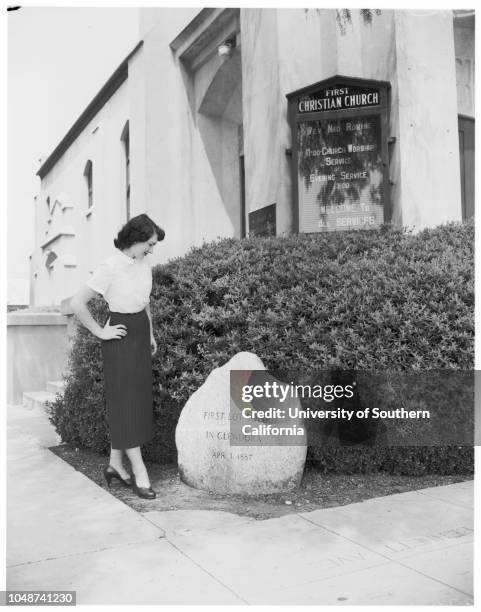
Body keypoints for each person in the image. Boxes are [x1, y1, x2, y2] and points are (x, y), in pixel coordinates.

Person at [70, 213, 165, 499]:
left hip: (139, 332)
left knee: (135, 401)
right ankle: (139, 472)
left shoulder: (143, 263)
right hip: (120, 335)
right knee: (125, 403)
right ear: (134, 239)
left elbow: (144, 302)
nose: (151, 249)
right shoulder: (109, 267)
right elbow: (77, 303)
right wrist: (100, 332)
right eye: (148, 243)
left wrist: (149, 333)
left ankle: (114, 465)